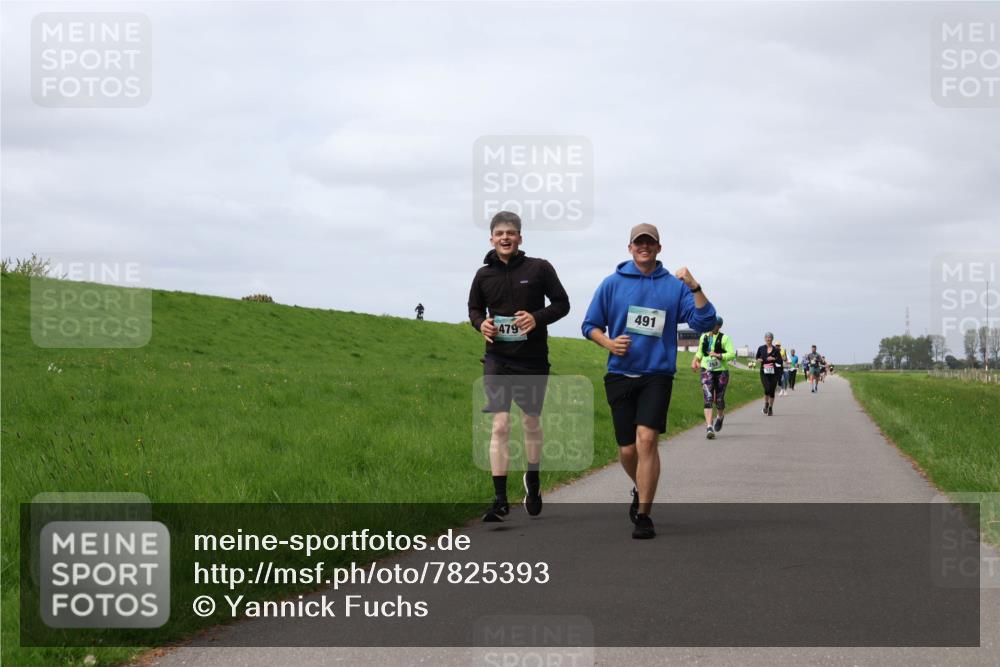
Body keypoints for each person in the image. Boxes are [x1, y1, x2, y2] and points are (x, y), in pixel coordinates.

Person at [582, 223, 716, 539]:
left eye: (650, 243)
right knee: (627, 450)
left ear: (658, 248)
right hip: (619, 374)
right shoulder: (611, 284)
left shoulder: (674, 286)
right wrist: (609, 343)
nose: (644, 247)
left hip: (657, 374)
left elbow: (705, 322)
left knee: (647, 440)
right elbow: (589, 325)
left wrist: (695, 286)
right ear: (630, 248)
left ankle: (644, 514)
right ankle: (639, 485)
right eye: (638, 242)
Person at [468, 211, 570, 522]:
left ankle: (533, 479)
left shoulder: (539, 268)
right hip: (498, 358)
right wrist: (481, 324)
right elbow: (474, 309)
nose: (505, 238)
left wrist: (536, 318)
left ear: (520, 238)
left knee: (530, 423)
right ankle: (499, 500)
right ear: (491, 239)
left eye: (511, 233)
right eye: (499, 233)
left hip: (532, 359)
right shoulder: (483, 275)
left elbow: (562, 304)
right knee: (500, 425)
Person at [691, 316, 735, 439]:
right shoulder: (704, 337)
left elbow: (732, 354)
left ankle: (720, 417)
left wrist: (719, 355)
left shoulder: (725, 338)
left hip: (721, 371)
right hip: (707, 370)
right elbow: (700, 352)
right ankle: (709, 427)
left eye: (713, 324)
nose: (710, 326)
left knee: (719, 399)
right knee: (708, 397)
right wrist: (695, 360)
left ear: (719, 326)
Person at [755, 332, 783, 415]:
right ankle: (766, 404)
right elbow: (757, 357)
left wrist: (773, 358)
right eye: (767, 337)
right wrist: (758, 359)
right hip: (764, 372)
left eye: (769, 338)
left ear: (772, 339)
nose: (768, 339)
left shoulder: (776, 350)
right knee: (767, 388)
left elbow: (780, 361)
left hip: (773, 373)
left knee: (772, 390)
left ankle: (770, 408)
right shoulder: (761, 348)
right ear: (765, 339)